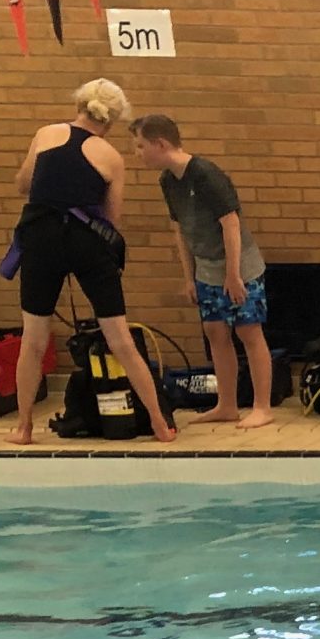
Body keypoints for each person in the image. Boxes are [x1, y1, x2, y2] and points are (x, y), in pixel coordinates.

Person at [5, 79, 173, 447]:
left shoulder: (46, 134)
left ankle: (23, 428)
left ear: (80, 104)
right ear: (112, 120)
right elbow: (112, 219)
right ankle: (160, 425)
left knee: (33, 339)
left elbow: (23, 184)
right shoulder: (110, 155)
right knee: (120, 338)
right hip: (86, 242)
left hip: (41, 236)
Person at [131, 114, 273, 431]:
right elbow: (178, 231)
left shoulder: (206, 175)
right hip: (207, 268)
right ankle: (227, 404)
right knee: (215, 333)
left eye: (140, 146)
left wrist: (234, 276)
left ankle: (262, 406)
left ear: (161, 143)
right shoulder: (168, 181)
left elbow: (231, 224)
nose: (137, 153)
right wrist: (189, 276)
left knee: (249, 332)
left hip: (239, 265)